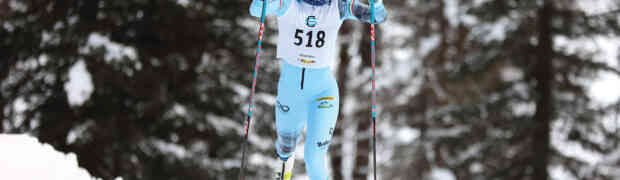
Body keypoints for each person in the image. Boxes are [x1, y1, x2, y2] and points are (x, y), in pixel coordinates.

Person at [248, 0, 387, 179]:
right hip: (291, 93)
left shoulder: (339, 6)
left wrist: (376, 4)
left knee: (314, 158)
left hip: (323, 92)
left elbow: (379, 16)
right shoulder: (287, 4)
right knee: (285, 148)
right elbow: (256, 10)